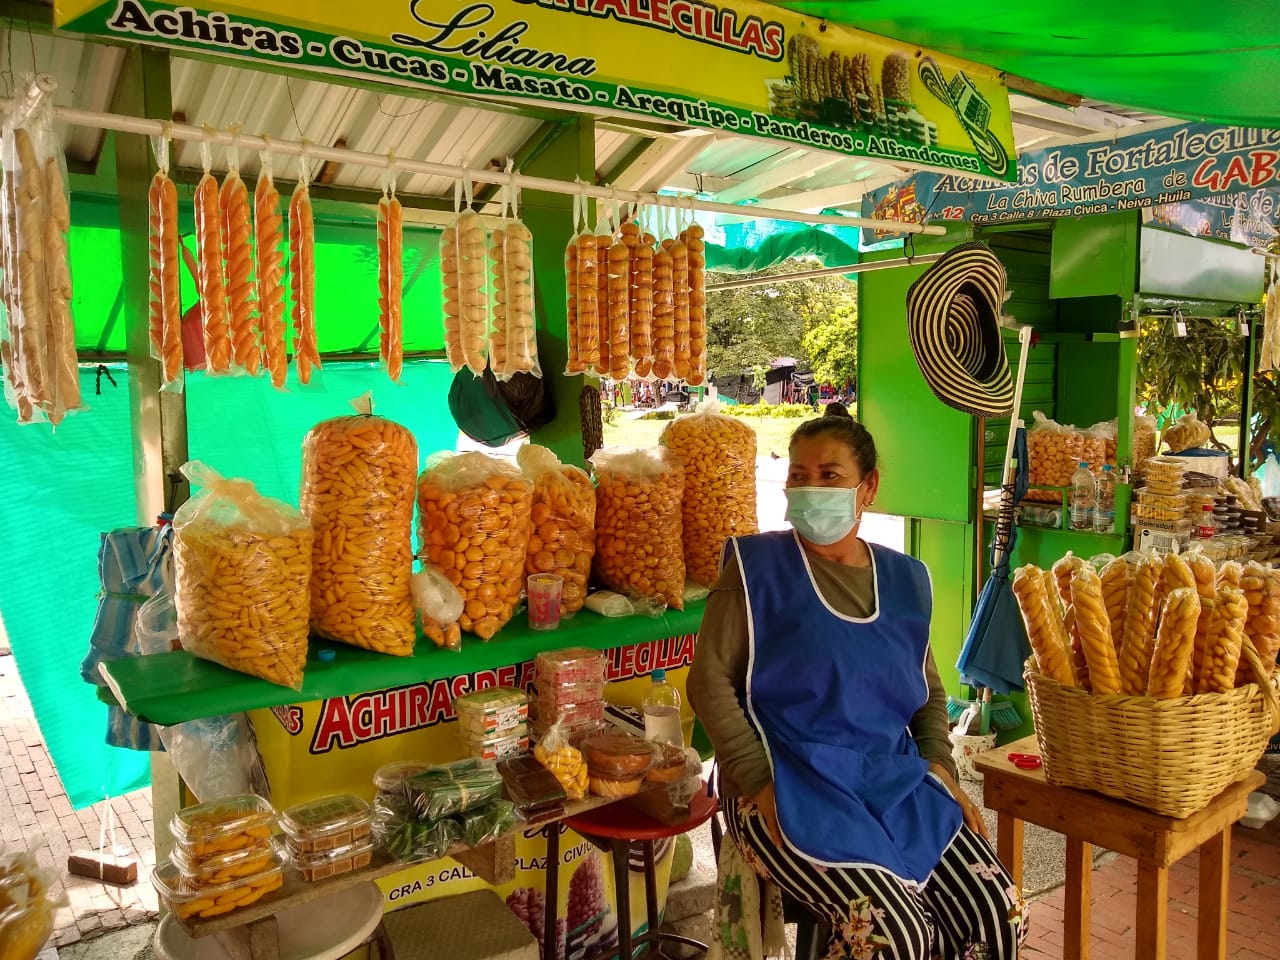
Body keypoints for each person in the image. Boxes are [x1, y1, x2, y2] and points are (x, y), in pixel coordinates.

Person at [688, 404, 1027, 960]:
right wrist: (758, 784)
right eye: (798, 475)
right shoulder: (755, 569)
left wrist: (941, 769)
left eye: (829, 476)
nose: (809, 488)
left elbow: (928, 694)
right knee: (893, 934)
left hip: (893, 782)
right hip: (786, 782)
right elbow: (709, 685)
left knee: (998, 913)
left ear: (867, 488)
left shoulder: (905, 579)